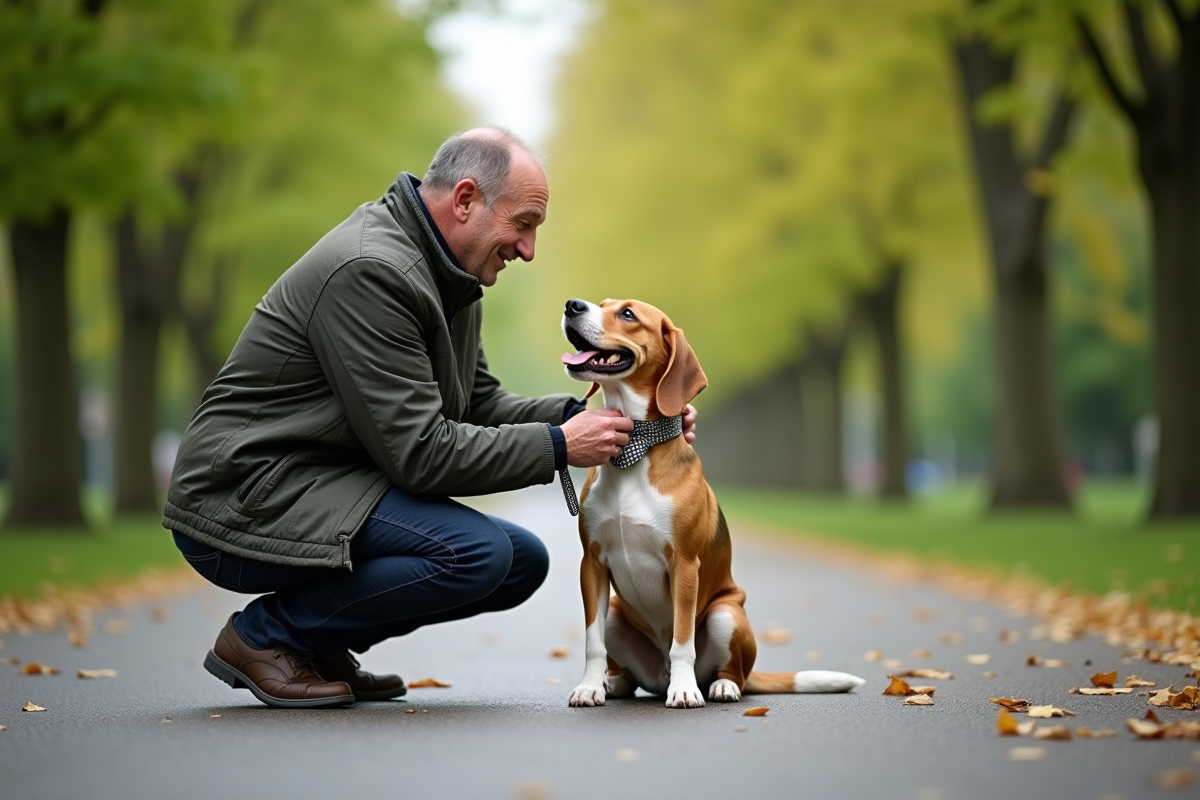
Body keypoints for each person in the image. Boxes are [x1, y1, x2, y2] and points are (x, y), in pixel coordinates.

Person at [163, 127, 696, 708]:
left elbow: (479, 402)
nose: (528, 249)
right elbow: (422, 455)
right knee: (477, 554)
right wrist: (562, 445)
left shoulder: (448, 274)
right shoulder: (371, 270)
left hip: (323, 481)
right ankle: (266, 638)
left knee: (521, 561)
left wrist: (605, 421)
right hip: (247, 491)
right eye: (523, 224)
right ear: (465, 200)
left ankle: (317, 644)